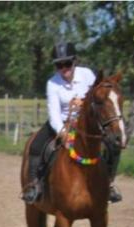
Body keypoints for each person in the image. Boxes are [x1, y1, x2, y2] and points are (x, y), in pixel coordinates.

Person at [21, 42, 122, 204]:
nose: (64, 68)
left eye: (67, 63)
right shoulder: (52, 83)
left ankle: (109, 184)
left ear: (75, 61)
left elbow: (97, 96)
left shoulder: (87, 74)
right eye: (59, 65)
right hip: (62, 122)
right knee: (36, 146)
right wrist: (63, 133)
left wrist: (82, 102)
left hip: (88, 123)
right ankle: (34, 185)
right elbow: (54, 114)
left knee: (113, 145)